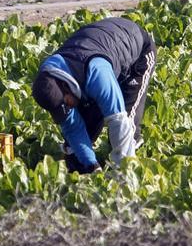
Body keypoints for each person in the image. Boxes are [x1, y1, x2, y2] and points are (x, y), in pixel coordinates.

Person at [32, 17, 156, 174]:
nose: (68, 107)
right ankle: (81, 165)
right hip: (97, 50)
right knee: (81, 139)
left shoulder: (97, 73)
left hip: (137, 53)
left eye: (66, 103)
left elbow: (118, 119)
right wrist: (92, 166)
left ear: (66, 86)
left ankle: (128, 171)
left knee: (127, 127)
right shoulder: (49, 80)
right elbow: (72, 127)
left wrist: (122, 172)